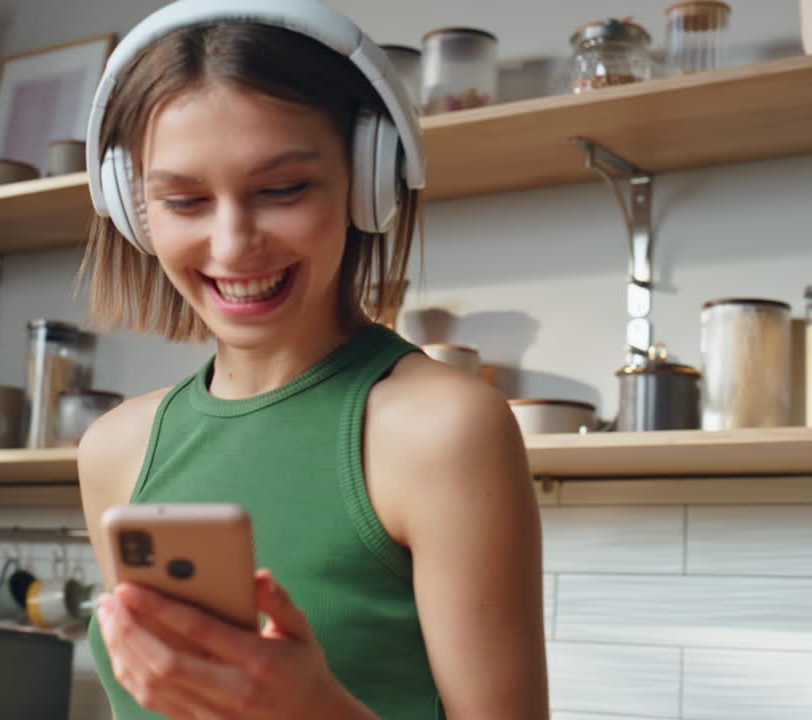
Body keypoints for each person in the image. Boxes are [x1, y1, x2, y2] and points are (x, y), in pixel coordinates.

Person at [76, 1, 549, 718]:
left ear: (369, 180)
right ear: (133, 209)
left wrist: (314, 707)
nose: (233, 245)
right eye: (184, 200)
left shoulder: (445, 431)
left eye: (283, 189)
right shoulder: (113, 448)